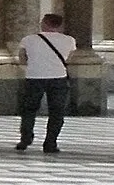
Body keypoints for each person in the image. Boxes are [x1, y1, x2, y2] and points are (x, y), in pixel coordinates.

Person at [16, 12, 75, 154]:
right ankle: (50, 143)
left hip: (34, 77)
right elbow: (70, 59)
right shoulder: (69, 40)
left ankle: (26, 138)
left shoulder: (28, 39)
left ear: (43, 23)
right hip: (58, 77)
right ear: (60, 26)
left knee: (29, 110)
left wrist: (32, 65)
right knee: (57, 112)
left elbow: (22, 58)